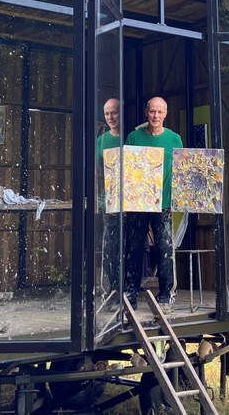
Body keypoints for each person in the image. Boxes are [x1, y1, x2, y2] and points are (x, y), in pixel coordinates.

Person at [124, 96, 183, 313]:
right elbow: (127, 170)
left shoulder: (175, 139)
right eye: (152, 112)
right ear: (146, 112)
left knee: (165, 247)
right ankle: (130, 292)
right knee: (134, 246)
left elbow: (180, 171)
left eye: (159, 112)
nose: (155, 116)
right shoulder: (133, 137)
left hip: (164, 203)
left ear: (165, 114)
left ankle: (166, 295)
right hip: (138, 202)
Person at [97, 98, 122, 308]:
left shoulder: (130, 139)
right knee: (109, 250)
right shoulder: (101, 141)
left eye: (114, 112)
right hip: (109, 203)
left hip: (131, 204)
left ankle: (126, 294)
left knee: (128, 250)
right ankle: (110, 293)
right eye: (107, 114)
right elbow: (96, 173)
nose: (111, 117)